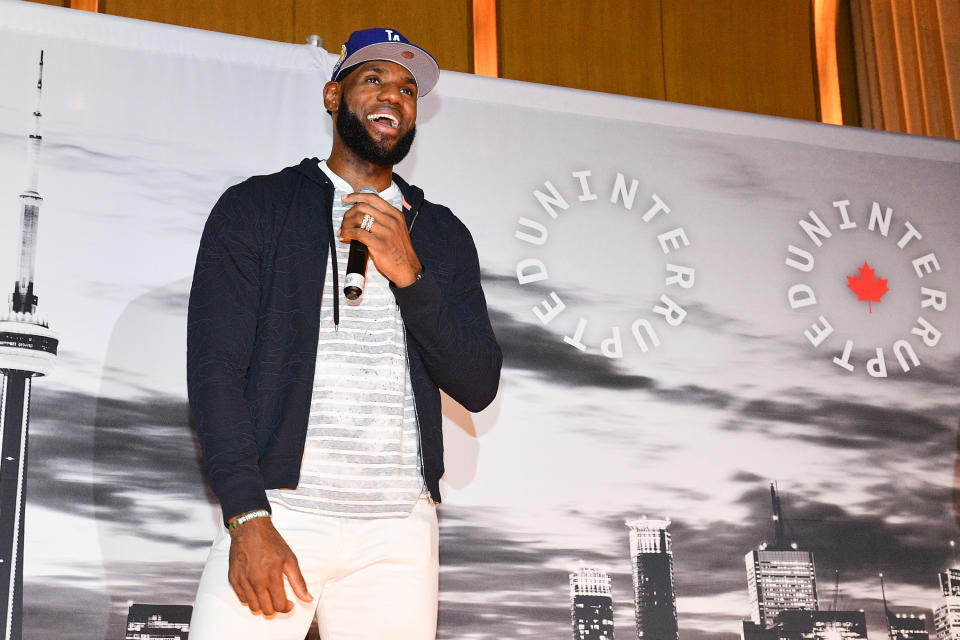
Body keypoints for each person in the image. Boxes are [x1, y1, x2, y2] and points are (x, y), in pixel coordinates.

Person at [186, 27, 501, 640]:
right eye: (374, 79)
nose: (395, 96)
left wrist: (410, 274)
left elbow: (478, 383)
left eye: (408, 88)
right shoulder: (257, 208)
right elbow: (215, 372)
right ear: (333, 96)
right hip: (282, 512)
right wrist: (248, 515)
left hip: (398, 529)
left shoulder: (440, 234)